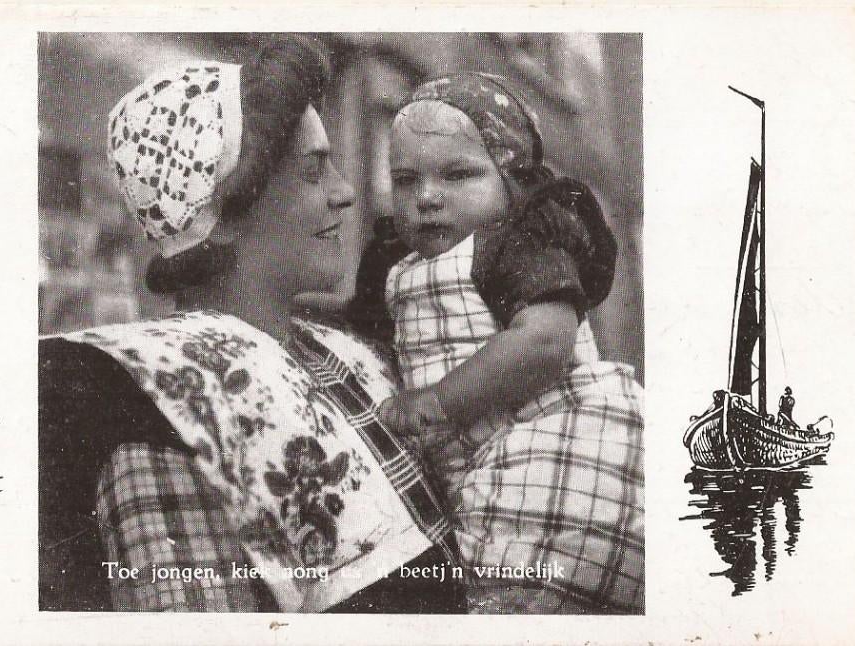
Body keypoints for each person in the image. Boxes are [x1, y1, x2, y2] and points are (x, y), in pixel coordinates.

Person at [38, 37, 461, 613]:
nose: (346, 194)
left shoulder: (345, 355)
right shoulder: (160, 414)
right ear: (224, 214)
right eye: (314, 171)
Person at [372, 72, 644, 613]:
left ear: (512, 180)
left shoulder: (516, 240)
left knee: (538, 584)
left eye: (458, 175)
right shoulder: (398, 268)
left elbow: (546, 340)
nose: (426, 198)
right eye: (406, 180)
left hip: (563, 445)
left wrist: (436, 406)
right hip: (490, 475)